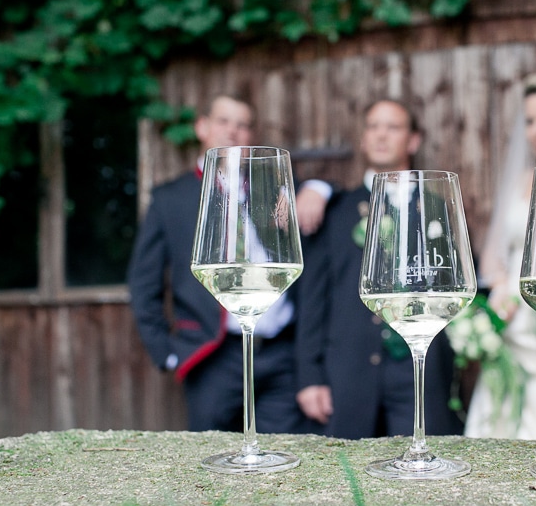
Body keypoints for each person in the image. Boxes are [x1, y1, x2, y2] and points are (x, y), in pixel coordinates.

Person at [127, 94, 330, 433]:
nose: (233, 131)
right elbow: (143, 282)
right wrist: (167, 353)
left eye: (243, 125)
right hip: (214, 355)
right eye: (224, 121)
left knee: (284, 457)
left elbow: (327, 201)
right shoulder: (170, 198)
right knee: (215, 456)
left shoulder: (272, 188)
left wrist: (318, 189)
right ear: (202, 127)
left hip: (281, 352)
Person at [295, 99, 463, 439]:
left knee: (425, 468)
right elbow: (313, 296)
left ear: (413, 140)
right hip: (348, 369)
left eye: (393, 127)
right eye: (373, 126)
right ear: (363, 139)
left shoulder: (439, 206)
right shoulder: (336, 209)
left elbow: (457, 286)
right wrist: (309, 376)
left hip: (422, 369)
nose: (381, 135)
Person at [464, 74, 536, 440]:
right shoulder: (521, 181)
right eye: (530, 121)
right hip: (514, 328)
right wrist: (499, 288)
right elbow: (496, 257)